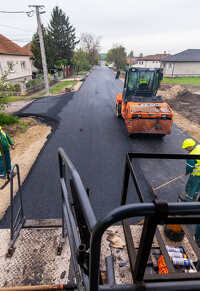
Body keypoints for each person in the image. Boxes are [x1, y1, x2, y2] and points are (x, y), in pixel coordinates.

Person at [179, 138, 200, 246]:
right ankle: (195, 199)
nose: (186, 149)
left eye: (186, 148)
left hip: (196, 175)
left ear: (190, 147)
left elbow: (190, 168)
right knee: (197, 188)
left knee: (190, 187)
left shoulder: (192, 155)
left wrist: (187, 172)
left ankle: (188, 201)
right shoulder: (198, 148)